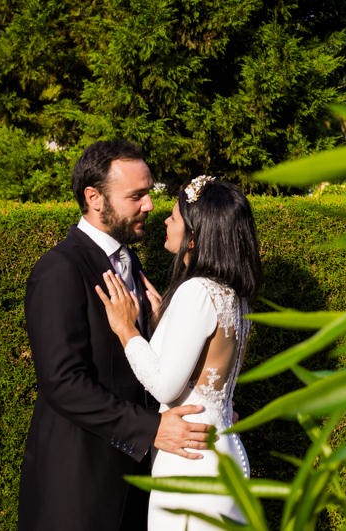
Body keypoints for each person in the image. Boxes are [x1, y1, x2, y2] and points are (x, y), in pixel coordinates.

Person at [19, 140, 211, 531]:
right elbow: (63, 383)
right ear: (94, 198)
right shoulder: (60, 270)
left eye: (149, 193)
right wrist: (152, 429)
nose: (150, 206)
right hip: (78, 487)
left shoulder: (129, 260)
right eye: (136, 196)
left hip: (133, 484)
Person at [96, 173, 262, 530]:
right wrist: (162, 323)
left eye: (174, 216)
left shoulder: (197, 292)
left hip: (190, 461)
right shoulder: (234, 296)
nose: (166, 221)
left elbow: (166, 387)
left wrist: (127, 331)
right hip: (224, 455)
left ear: (195, 237)